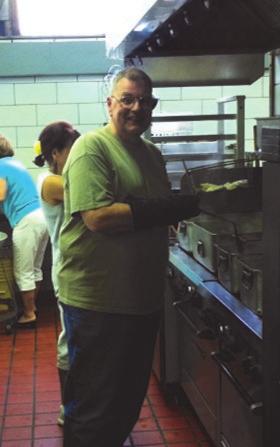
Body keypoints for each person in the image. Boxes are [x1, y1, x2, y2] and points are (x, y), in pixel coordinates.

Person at [58, 67, 200, 447]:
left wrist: (171, 213)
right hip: (98, 302)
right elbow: (99, 217)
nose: (137, 107)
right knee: (93, 408)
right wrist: (165, 209)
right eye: (128, 99)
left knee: (125, 403)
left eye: (145, 101)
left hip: (141, 299)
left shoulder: (152, 154)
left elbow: (154, 211)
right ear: (110, 104)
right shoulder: (93, 147)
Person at [33, 121, 80, 426]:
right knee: (71, 340)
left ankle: (80, 406)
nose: (78, 154)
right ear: (56, 152)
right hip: (67, 271)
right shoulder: (51, 182)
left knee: (80, 339)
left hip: (80, 269)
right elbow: (92, 195)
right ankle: (69, 410)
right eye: (73, 148)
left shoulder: (63, 175)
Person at [0, 134, 49, 328]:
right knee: (35, 268)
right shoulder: (15, 163)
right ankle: (32, 308)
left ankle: (29, 314)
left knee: (23, 272)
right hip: (41, 216)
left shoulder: (1, 166)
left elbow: (1, 194)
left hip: (26, 220)